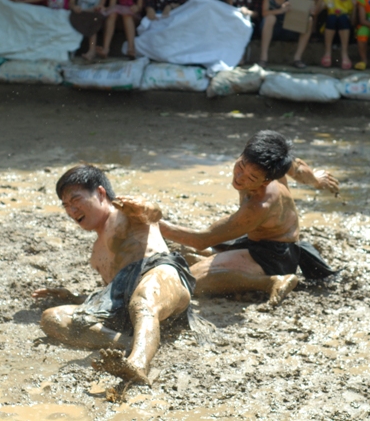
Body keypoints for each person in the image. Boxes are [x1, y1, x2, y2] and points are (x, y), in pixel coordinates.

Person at [35, 165, 204, 385]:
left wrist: (144, 206)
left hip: (161, 275)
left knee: (143, 299)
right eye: (66, 205)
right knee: (52, 318)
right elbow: (111, 300)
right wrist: (72, 297)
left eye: (76, 200)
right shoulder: (97, 254)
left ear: (101, 193)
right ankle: (129, 343)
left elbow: (153, 212)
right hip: (127, 304)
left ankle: (138, 364)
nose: (72, 211)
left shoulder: (129, 213)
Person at [159, 131, 339, 307]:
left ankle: (272, 281)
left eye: (251, 177)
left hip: (273, 257)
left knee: (190, 282)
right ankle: (220, 259)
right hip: (257, 240)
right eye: (241, 166)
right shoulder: (274, 159)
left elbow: (201, 239)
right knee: (184, 250)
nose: (239, 177)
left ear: (266, 181)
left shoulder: (258, 206)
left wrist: (152, 221)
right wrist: (316, 179)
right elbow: (298, 168)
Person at [257, 0, 315, 69]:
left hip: (288, 29)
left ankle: (297, 58)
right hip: (270, 28)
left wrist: (308, 12)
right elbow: (264, 13)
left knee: (309, 20)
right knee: (270, 18)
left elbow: (300, 17)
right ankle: (263, 58)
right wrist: (280, 10)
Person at [319, 0, 356, 69]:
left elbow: (353, 22)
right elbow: (315, 11)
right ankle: (327, 53)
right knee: (332, 17)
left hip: (346, 33)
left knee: (343, 18)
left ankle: (344, 55)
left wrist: (355, 7)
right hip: (330, 32)